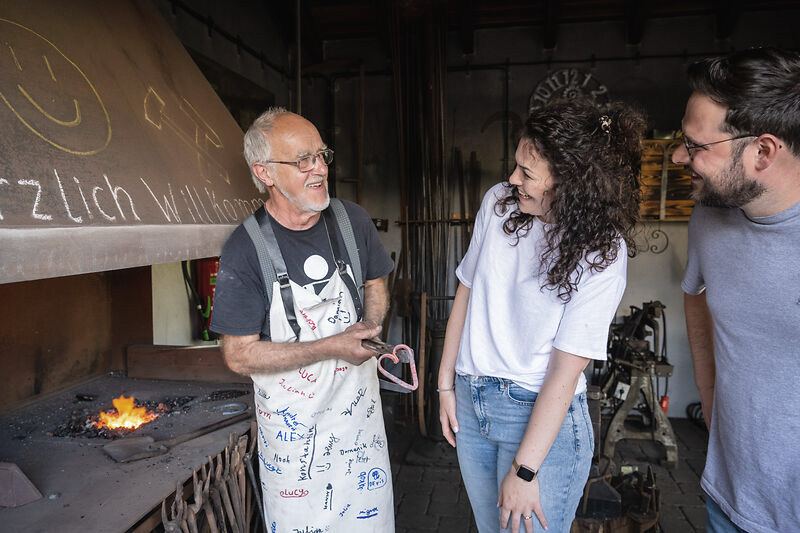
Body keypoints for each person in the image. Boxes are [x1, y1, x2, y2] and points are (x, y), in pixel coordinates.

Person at [438, 99, 645, 533]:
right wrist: (444, 385)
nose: (512, 179)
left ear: (571, 183)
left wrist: (527, 470)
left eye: (527, 174)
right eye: (515, 166)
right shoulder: (499, 204)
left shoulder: (602, 252)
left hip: (535, 417)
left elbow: (564, 375)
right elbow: (466, 292)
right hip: (471, 402)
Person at [210, 107, 396, 532]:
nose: (320, 170)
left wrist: (370, 325)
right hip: (296, 442)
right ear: (265, 172)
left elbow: (377, 280)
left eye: (322, 156)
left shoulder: (353, 221)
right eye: (302, 160)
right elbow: (238, 356)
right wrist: (330, 346)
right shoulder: (245, 250)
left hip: (358, 431)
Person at [675, 47, 800, 533]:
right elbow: (695, 294)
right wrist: (710, 403)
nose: (679, 155)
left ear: (763, 151)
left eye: (696, 145)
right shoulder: (709, 219)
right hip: (728, 500)